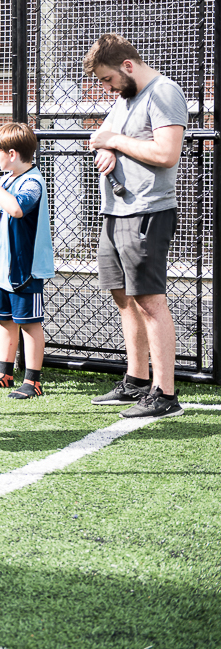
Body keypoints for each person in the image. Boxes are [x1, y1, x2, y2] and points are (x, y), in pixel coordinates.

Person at [84, 34, 187, 418]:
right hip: (116, 211)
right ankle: (137, 380)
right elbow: (103, 136)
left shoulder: (163, 93)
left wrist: (115, 141)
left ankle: (165, 393)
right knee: (123, 296)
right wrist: (109, 144)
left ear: (128, 66)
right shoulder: (126, 99)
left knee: (148, 300)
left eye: (108, 79)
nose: (107, 87)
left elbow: (166, 153)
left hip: (147, 210)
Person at [0, 123, 54, 400]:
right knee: (5, 320)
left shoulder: (32, 181)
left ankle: (33, 381)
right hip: (0, 267)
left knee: (30, 323)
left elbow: (17, 209)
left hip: (24, 268)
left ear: (11, 153)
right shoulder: (7, 178)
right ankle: (4, 374)